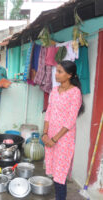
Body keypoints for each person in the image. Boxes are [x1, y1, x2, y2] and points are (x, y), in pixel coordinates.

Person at [42, 61, 84, 200]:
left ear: (70, 75)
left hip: (64, 138)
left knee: (60, 173)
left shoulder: (75, 92)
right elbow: (48, 113)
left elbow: (70, 121)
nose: (56, 74)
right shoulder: (54, 90)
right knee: (54, 171)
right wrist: (45, 134)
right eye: (57, 71)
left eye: (60, 72)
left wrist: (54, 139)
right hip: (51, 135)